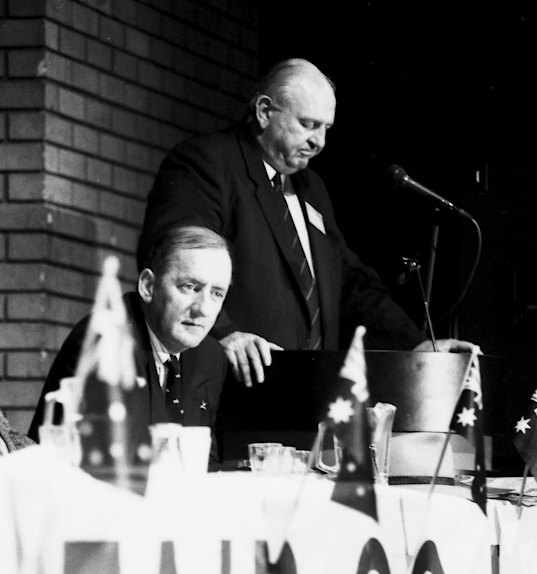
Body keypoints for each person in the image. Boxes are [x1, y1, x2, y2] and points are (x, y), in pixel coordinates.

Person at [139, 58, 476, 388]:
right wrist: (225, 333)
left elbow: (350, 285)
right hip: (234, 386)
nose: (320, 142)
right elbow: (173, 256)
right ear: (264, 112)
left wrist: (417, 346)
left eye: (326, 129)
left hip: (306, 391)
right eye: (308, 124)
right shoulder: (209, 162)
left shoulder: (311, 188)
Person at [28, 224, 232, 461]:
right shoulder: (105, 343)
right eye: (190, 287)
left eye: (217, 293)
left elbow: (207, 464)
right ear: (148, 286)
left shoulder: (211, 357)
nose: (203, 309)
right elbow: (96, 465)